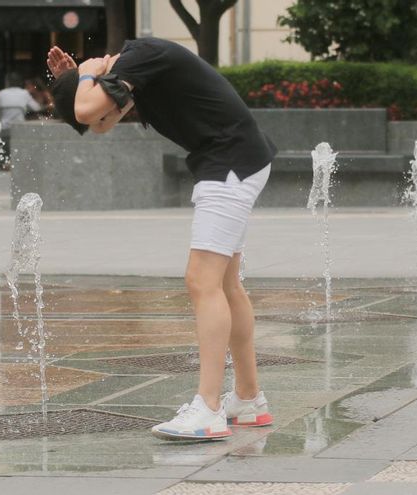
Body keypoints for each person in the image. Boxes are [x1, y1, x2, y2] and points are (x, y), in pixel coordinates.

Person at [48, 39, 277, 441]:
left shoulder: (143, 56)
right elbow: (99, 121)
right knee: (225, 284)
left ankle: (208, 408)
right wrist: (77, 79)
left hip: (229, 164)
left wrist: (84, 73)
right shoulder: (137, 70)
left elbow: (89, 110)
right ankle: (248, 397)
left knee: (201, 282)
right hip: (236, 160)